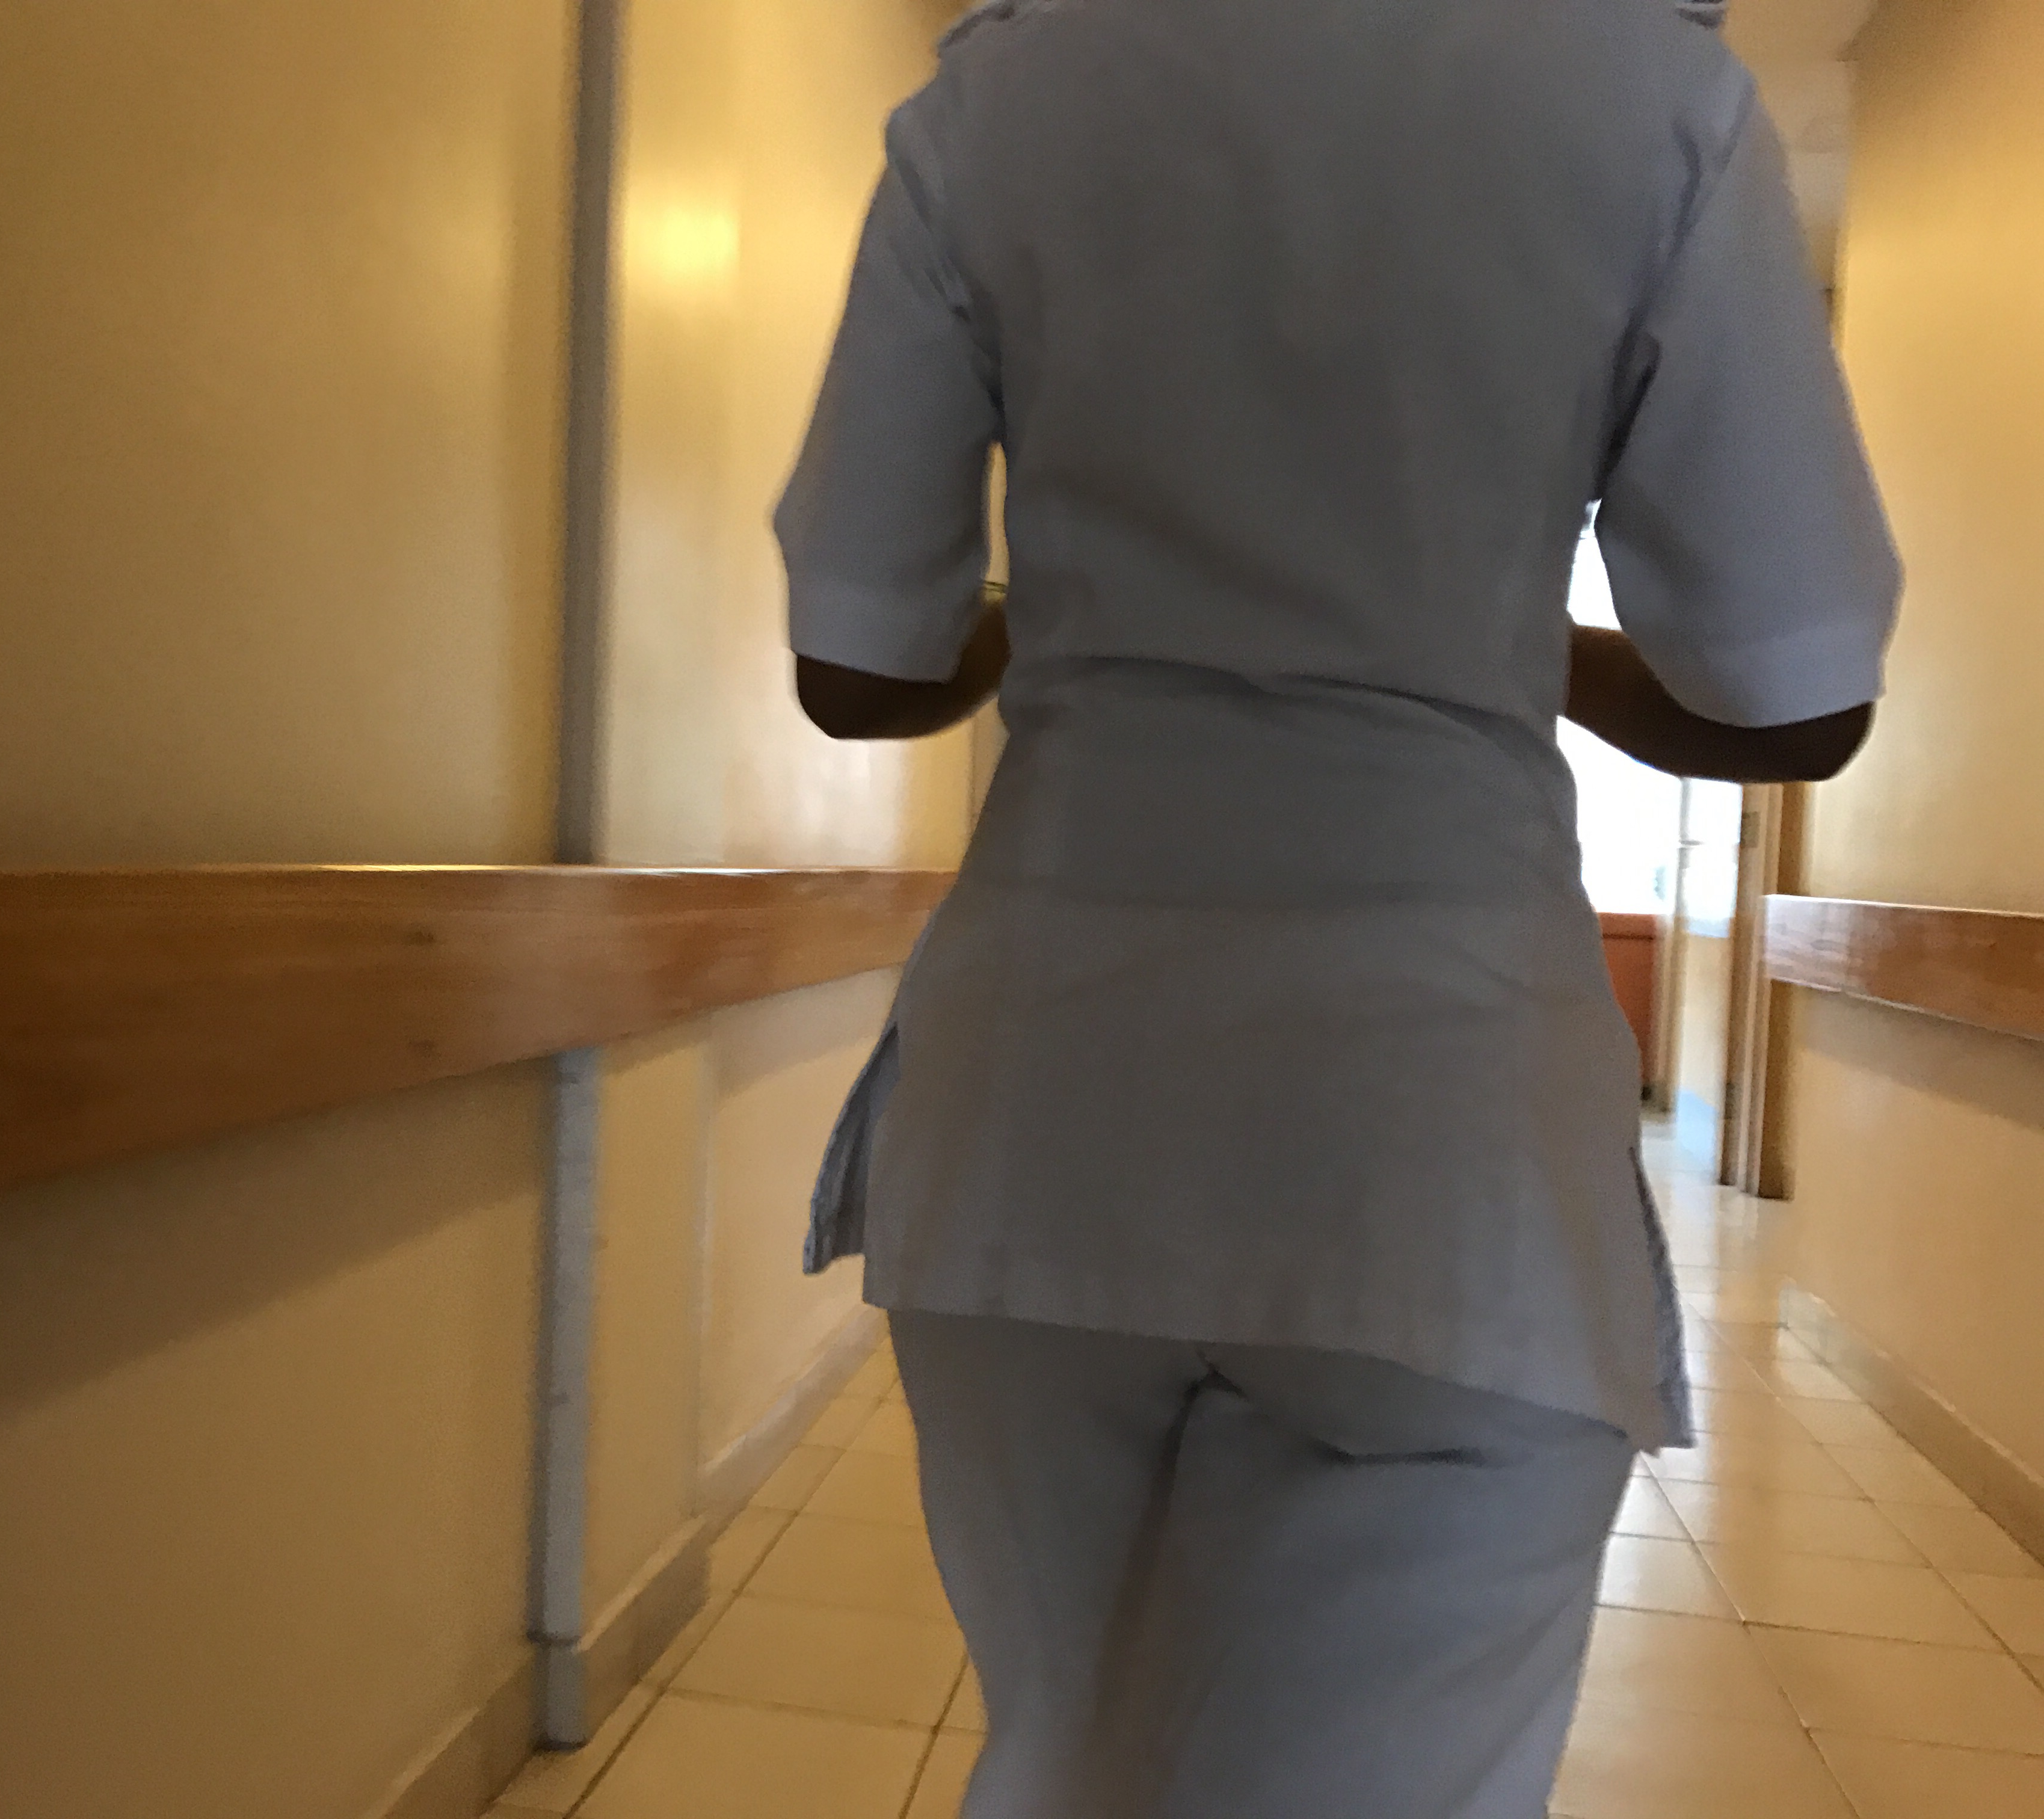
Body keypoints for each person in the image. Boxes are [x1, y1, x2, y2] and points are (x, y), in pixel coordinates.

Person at [773, 1, 1901, 1815]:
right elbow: (1794, 705)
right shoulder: (1653, 98)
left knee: (1072, 1762)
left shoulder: (1003, 92)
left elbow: (858, 670)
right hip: (1439, 1148)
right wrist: (1465, 637)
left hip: (1039, 1129)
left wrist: (1088, 622)